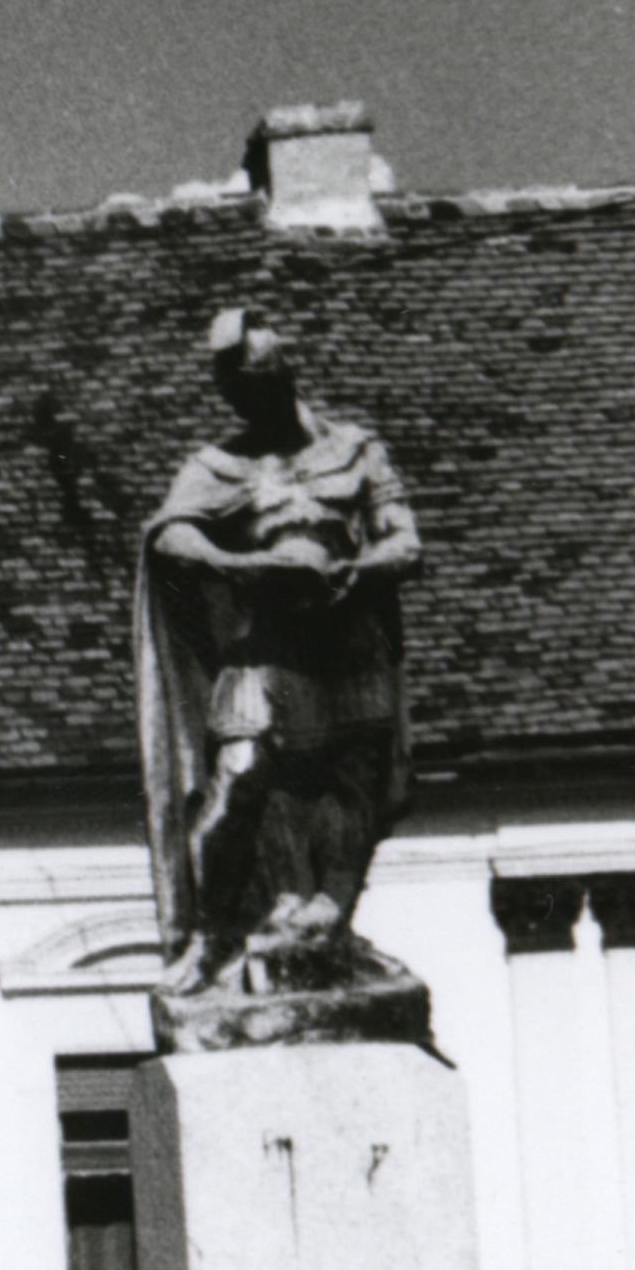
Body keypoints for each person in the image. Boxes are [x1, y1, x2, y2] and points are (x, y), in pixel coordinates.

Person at [133, 307, 422, 1014]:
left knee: (354, 785)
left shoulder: (355, 450)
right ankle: (210, 937)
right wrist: (238, 564)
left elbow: (406, 541)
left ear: (285, 371)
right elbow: (169, 536)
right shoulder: (218, 465)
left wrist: (358, 568)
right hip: (264, 643)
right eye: (239, 390)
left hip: (347, 644)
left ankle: (330, 914)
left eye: (262, 381)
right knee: (235, 781)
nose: (252, 400)